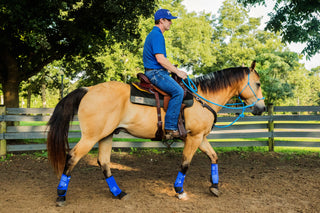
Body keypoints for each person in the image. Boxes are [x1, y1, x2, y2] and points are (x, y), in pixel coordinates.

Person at [143, 9, 188, 139]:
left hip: (156, 71)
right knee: (178, 91)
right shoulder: (157, 35)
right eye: (169, 20)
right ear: (161, 20)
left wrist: (171, 69)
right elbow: (160, 59)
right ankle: (170, 127)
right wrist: (178, 72)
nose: (171, 23)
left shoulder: (154, 34)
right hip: (156, 73)